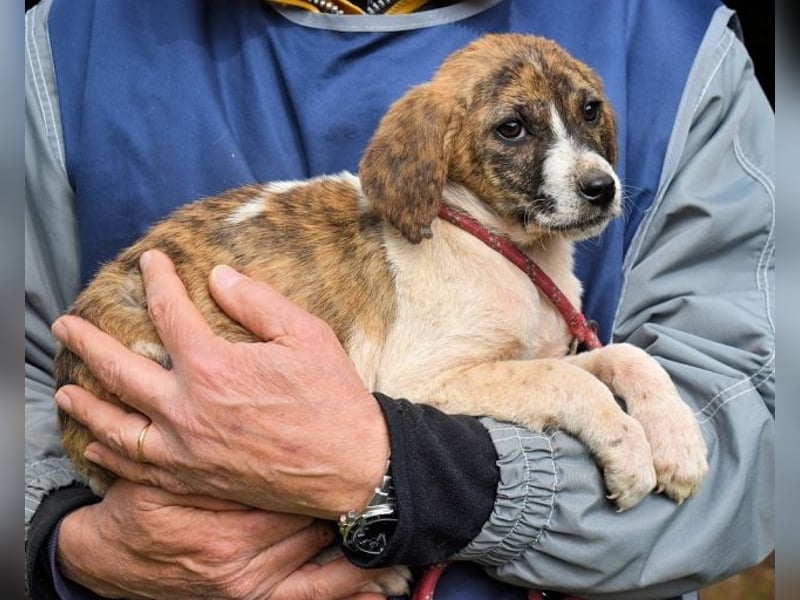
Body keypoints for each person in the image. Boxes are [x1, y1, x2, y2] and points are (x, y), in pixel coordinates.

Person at [25, 0, 775, 598]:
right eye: (514, 130)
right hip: (142, 417)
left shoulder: (677, 41)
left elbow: (761, 437)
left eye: (588, 118)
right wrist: (63, 544)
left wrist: (400, 475)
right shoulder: (61, 41)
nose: (592, 168)